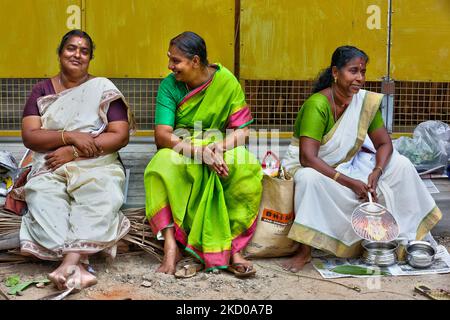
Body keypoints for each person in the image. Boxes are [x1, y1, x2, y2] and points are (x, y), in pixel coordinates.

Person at [281, 46, 442, 272]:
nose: (359, 78)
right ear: (335, 73)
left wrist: (376, 172)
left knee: (402, 164)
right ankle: (304, 250)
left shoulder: (364, 102)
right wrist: (350, 182)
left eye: (363, 72)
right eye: (353, 71)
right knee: (309, 179)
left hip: (345, 167)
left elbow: (384, 143)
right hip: (310, 168)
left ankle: (406, 237)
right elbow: (307, 158)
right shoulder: (318, 105)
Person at [20, 29, 136, 290]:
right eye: (71, 48)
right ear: (60, 53)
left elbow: (120, 135)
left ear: (90, 58)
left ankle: (69, 263)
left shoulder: (102, 88)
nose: (77, 54)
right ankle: (80, 267)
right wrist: (69, 136)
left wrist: (74, 152)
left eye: (84, 51)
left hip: (97, 163)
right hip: (50, 164)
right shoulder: (42, 90)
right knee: (42, 198)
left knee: (102, 194)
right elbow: (30, 136)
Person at [144, 31, 262, 277]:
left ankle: (231, 248)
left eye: (176, 61)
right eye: (170, 59)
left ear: (195, 61)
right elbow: (163, 136)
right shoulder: (169, 85)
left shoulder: (226, 81)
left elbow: (243, 131)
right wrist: (199, 152)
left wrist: (219, 148)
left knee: (245, 165)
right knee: (161, 164)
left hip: (218, 146)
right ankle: (171, 246)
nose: (170, 66)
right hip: (184, 147)